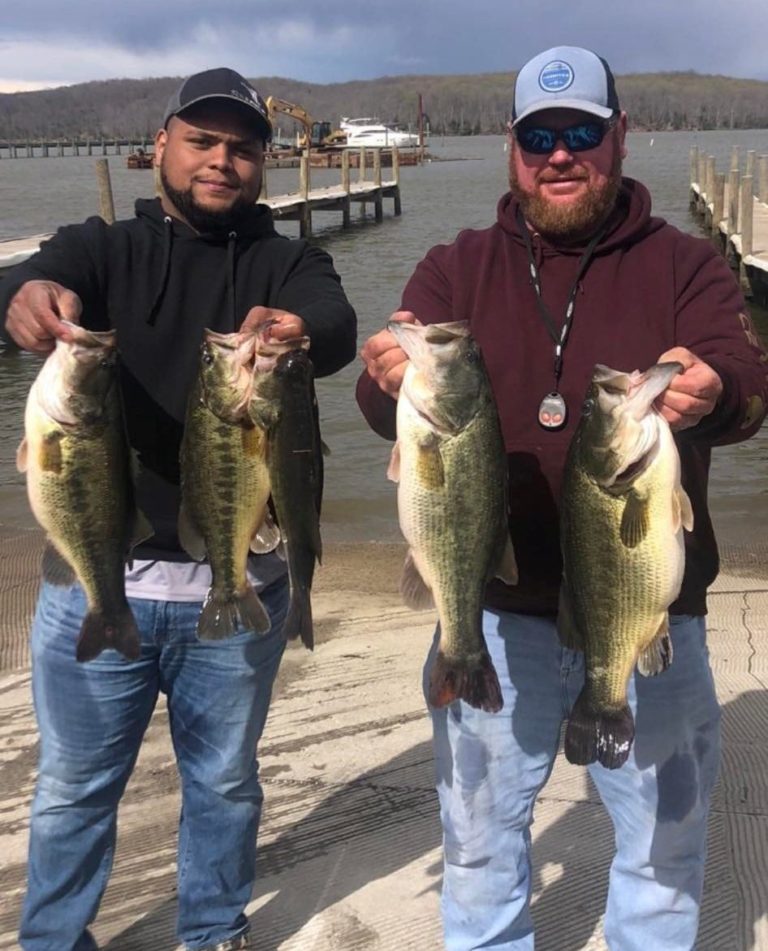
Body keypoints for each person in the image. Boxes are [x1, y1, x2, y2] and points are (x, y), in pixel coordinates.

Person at [356, 45, 768, 951]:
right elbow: (384, 393)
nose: (560, 154)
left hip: (647, 613)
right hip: (493, 608)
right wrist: (385, 373)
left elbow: (744, 377)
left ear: (619, 136)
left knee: (664, 845)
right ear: (513, 147)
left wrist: (720, 390)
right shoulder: (456, 264)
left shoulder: (685, 264)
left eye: (580, 131)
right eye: (540, 135)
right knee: (477, 841)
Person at [2, 67, 357, 951]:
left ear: (263, 163)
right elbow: (37, 276)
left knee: (226, 782)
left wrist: (299, 330)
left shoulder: (287, 259)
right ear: (159, 144)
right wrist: (28, 298)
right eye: (201, 141)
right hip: (96, 578)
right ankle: (52, 940)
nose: (220, 161)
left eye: (241, 148)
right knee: (74, 786)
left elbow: (337, 320)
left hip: (235, 588)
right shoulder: (102, 246)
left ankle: (212, 931)